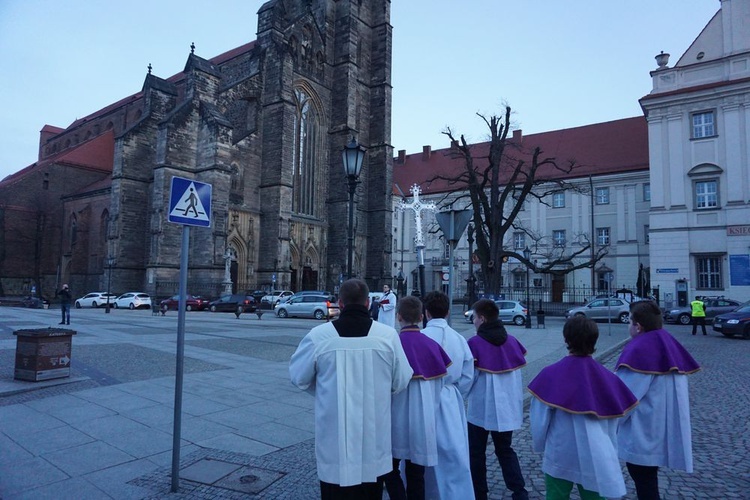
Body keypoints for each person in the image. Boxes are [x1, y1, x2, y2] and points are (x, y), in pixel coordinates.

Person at [289, 279, 413, 499]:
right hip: (374, 439)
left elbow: (299, 377)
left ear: (340, 303)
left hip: (334, 439)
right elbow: (401, 381)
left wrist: (326, 391)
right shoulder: (388, 337)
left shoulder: (319, 337)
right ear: (367, 303)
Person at [528, 316, 638, 499]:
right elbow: (615, 421)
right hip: (595, 454)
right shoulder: (608, 379)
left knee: (556, 495)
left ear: (565, 339)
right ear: (594, 341)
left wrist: (540, 445)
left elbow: (539, 419)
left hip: (560, 452)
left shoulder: (550, 375)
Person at [615, 300, 701, 500]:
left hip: (643, 431)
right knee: (647, 480)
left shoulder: (640, 350)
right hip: (661, 427)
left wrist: (609, 424)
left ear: (638, 326)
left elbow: (625, 397)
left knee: (644, 482)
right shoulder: (666, 341)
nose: (628, 326)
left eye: (629, 321)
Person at [383, 295, 451, 500]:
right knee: (416, 473)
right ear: (422, 317)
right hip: (423, 416)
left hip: (394, 417)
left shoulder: (390, 345)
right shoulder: (432, 346)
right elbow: (439, 386)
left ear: (398, 317)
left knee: (389, 468)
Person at [466, 299, 529, 500]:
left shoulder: (475, 343)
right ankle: (519, 492)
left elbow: (469, 378)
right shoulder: (511, 341)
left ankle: (479, 494)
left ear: (482, 319)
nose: (473, 321)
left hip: (480, 408)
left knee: (476, 453)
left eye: (474, 317)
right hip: (505, 408)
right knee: (505, 451)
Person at [420, 291, 475, 500]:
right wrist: (455, 393)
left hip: (424, 397)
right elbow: (469, 375)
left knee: (425, 451)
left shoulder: (421, 337)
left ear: (426, 313)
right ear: (448, 312)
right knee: (455, 452)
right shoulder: (459, 339)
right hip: (450, 399)